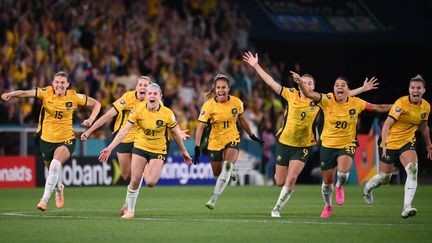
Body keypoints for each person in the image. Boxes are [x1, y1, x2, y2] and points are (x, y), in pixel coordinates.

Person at [243, 51, 379, 217]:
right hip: (284, 143)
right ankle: (281, 183)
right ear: (298, 83)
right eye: (303, 81)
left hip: (303, 146)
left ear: (313, 87)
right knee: (280, 181)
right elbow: (270, 81)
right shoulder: (289, 94)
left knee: (292, 179)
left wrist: (363, 89)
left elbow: (342, 95)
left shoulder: (319, 100)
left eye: (309, 83)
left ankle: (276, 209)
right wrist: (256, 65)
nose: (306, 84)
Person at [291, 70, 391, 218]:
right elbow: (309, 94)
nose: (339, 87)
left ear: (347, 90)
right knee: (327, 182)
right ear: (333, 89)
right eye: (337, 85)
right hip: (328, 145)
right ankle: (328, 206)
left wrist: (400, 107)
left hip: (347, 144)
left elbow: (379, 107)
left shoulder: (357, 103)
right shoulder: (327, 99)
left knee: (343, 173)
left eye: (343, 85)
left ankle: (340, 186)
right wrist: (300, 82)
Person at [1, 71, 101, 211]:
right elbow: (25, 93)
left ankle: (44, 200)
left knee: (54, 165)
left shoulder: (74, 96)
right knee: (51, 169)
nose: (59, 85)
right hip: (46, 140)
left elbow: (97, 104)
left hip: (66, 139)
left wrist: (91, 120)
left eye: (62, 83)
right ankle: (59, 188)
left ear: (67, 84)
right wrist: (11, 94)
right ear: (53, 83)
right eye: (57, 82)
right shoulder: (46, 92)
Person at [98, 83, 192, 219]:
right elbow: (124, 131)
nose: (152, 96)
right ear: (146, 96)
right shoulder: (138, 109)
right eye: (150, 94)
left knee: (150, 182)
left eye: (155, 94)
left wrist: (184, 151)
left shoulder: (167, 113)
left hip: (159, 148)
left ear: (160, 97)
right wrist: (110, 148)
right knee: (135, 180)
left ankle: (150, 166)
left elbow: (175, 133)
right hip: (141, 146)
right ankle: (130, 211)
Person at [363, 74, 431, 218]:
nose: (415, 90)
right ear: (409, 89)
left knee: (413, 169)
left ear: (424, 90)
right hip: (390, 142)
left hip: (407, 142)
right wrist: (385, 143)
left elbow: (424, 127)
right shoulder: (400, 103)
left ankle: (407, 207)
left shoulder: (426, 107)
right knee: (385, 178)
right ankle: (367, 187)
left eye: (419, 88)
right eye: (413, 88)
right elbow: (387, 124)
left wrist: (429, 145)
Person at [81, 76, 150, 215]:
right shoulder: (127, 98)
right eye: (140, 84)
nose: (142, 87)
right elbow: (107, 116)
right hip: (122, 139)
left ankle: (128, 206)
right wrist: (89, 131)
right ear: (136, 87)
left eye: (145, 85)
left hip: (141, 139)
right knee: (126, 175)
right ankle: (133, 189)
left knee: (136, 176)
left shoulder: (152, 101)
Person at [194, 74, 264, 210]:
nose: (221, 90)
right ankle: (231, 171)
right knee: (217, 173)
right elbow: (200, 127)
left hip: (232, 138)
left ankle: (213, 199)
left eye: (223, 87)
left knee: (226, 166)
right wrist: (197, 147)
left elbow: (243, 120)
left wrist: (252, 135)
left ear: (228, 89)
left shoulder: (236, 102)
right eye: (218, 87)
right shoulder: (208, 106)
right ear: (214, 89)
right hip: (214, 142)